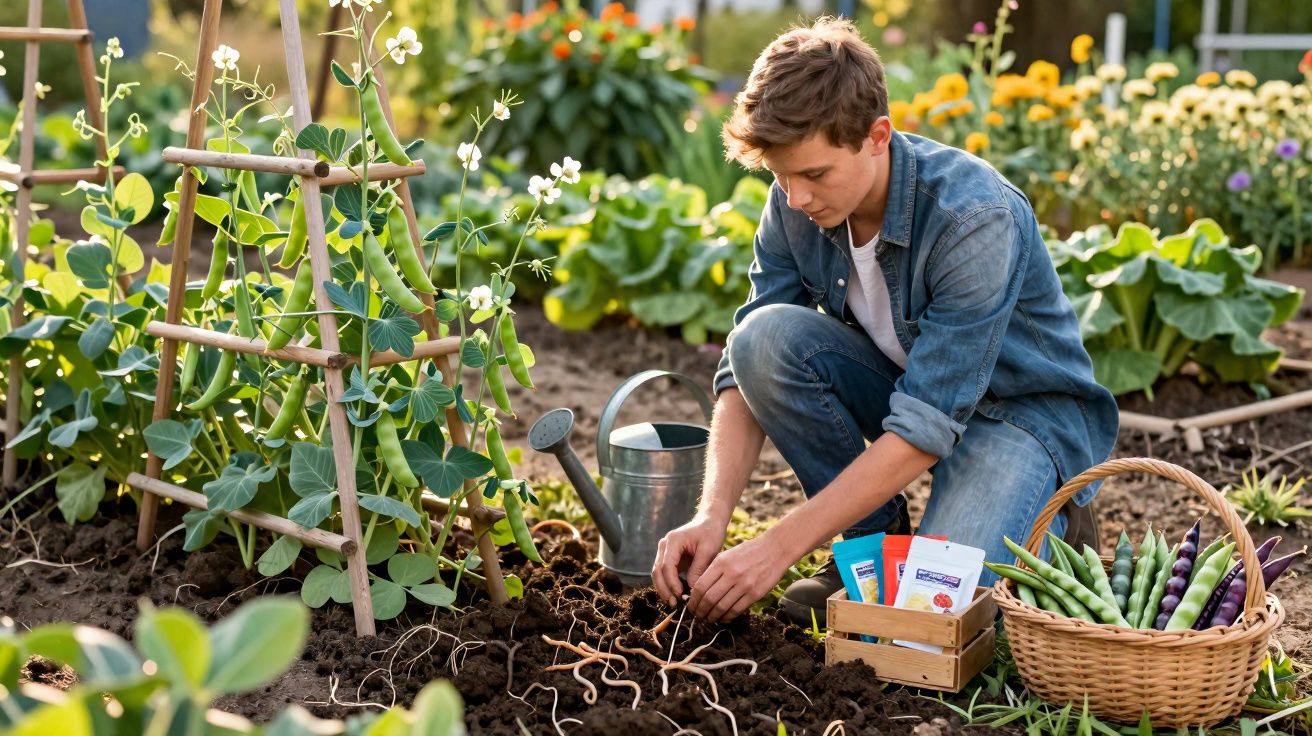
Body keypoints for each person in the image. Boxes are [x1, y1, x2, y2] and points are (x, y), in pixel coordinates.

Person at [650, 17, 1118, 627]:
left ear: (877, 136)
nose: (795, 197)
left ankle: (1053, 522)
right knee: (759, 340)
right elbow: (742, 369)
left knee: (928, 622)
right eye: (780, 174)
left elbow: (927, 424)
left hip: (1016, 419)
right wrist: (712, 514)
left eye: (814, 173)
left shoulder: (971, 218)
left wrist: (776, 548)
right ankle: (871, 544)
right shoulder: (794, 202)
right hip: (913, 394)